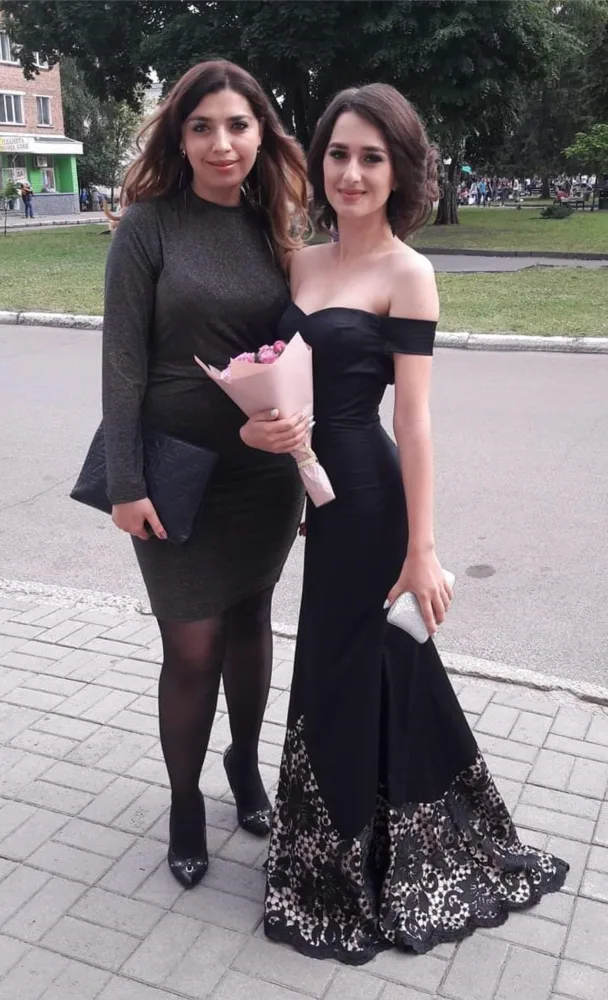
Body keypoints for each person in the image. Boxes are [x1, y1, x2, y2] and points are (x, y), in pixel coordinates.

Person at [245, 83, 568, 963]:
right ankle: (345, 835)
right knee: (345, 664)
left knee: (364, 661)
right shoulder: (299, 262)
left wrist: (422, 550)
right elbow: (280, 378)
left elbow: (416, 421)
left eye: (372, 158)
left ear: (399, 172)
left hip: (374, 503)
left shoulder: (408, 274)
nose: (351, 173)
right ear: (320, 160)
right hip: (319, 499)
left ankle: (366, 846)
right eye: (339, 154)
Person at [101, 60, 309, 889]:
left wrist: (305, 452)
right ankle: (184, 800)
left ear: (262, 135)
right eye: (202, 127)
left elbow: (300, 353)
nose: (222, 143)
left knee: (252, 625)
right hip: (172, 478)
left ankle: (243, 763)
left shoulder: (275, 228)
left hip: (263, 478)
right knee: (191, 647)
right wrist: (126, 485)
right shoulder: (148, 227)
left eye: (238, 125)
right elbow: (122, 365)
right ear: (179, 138)